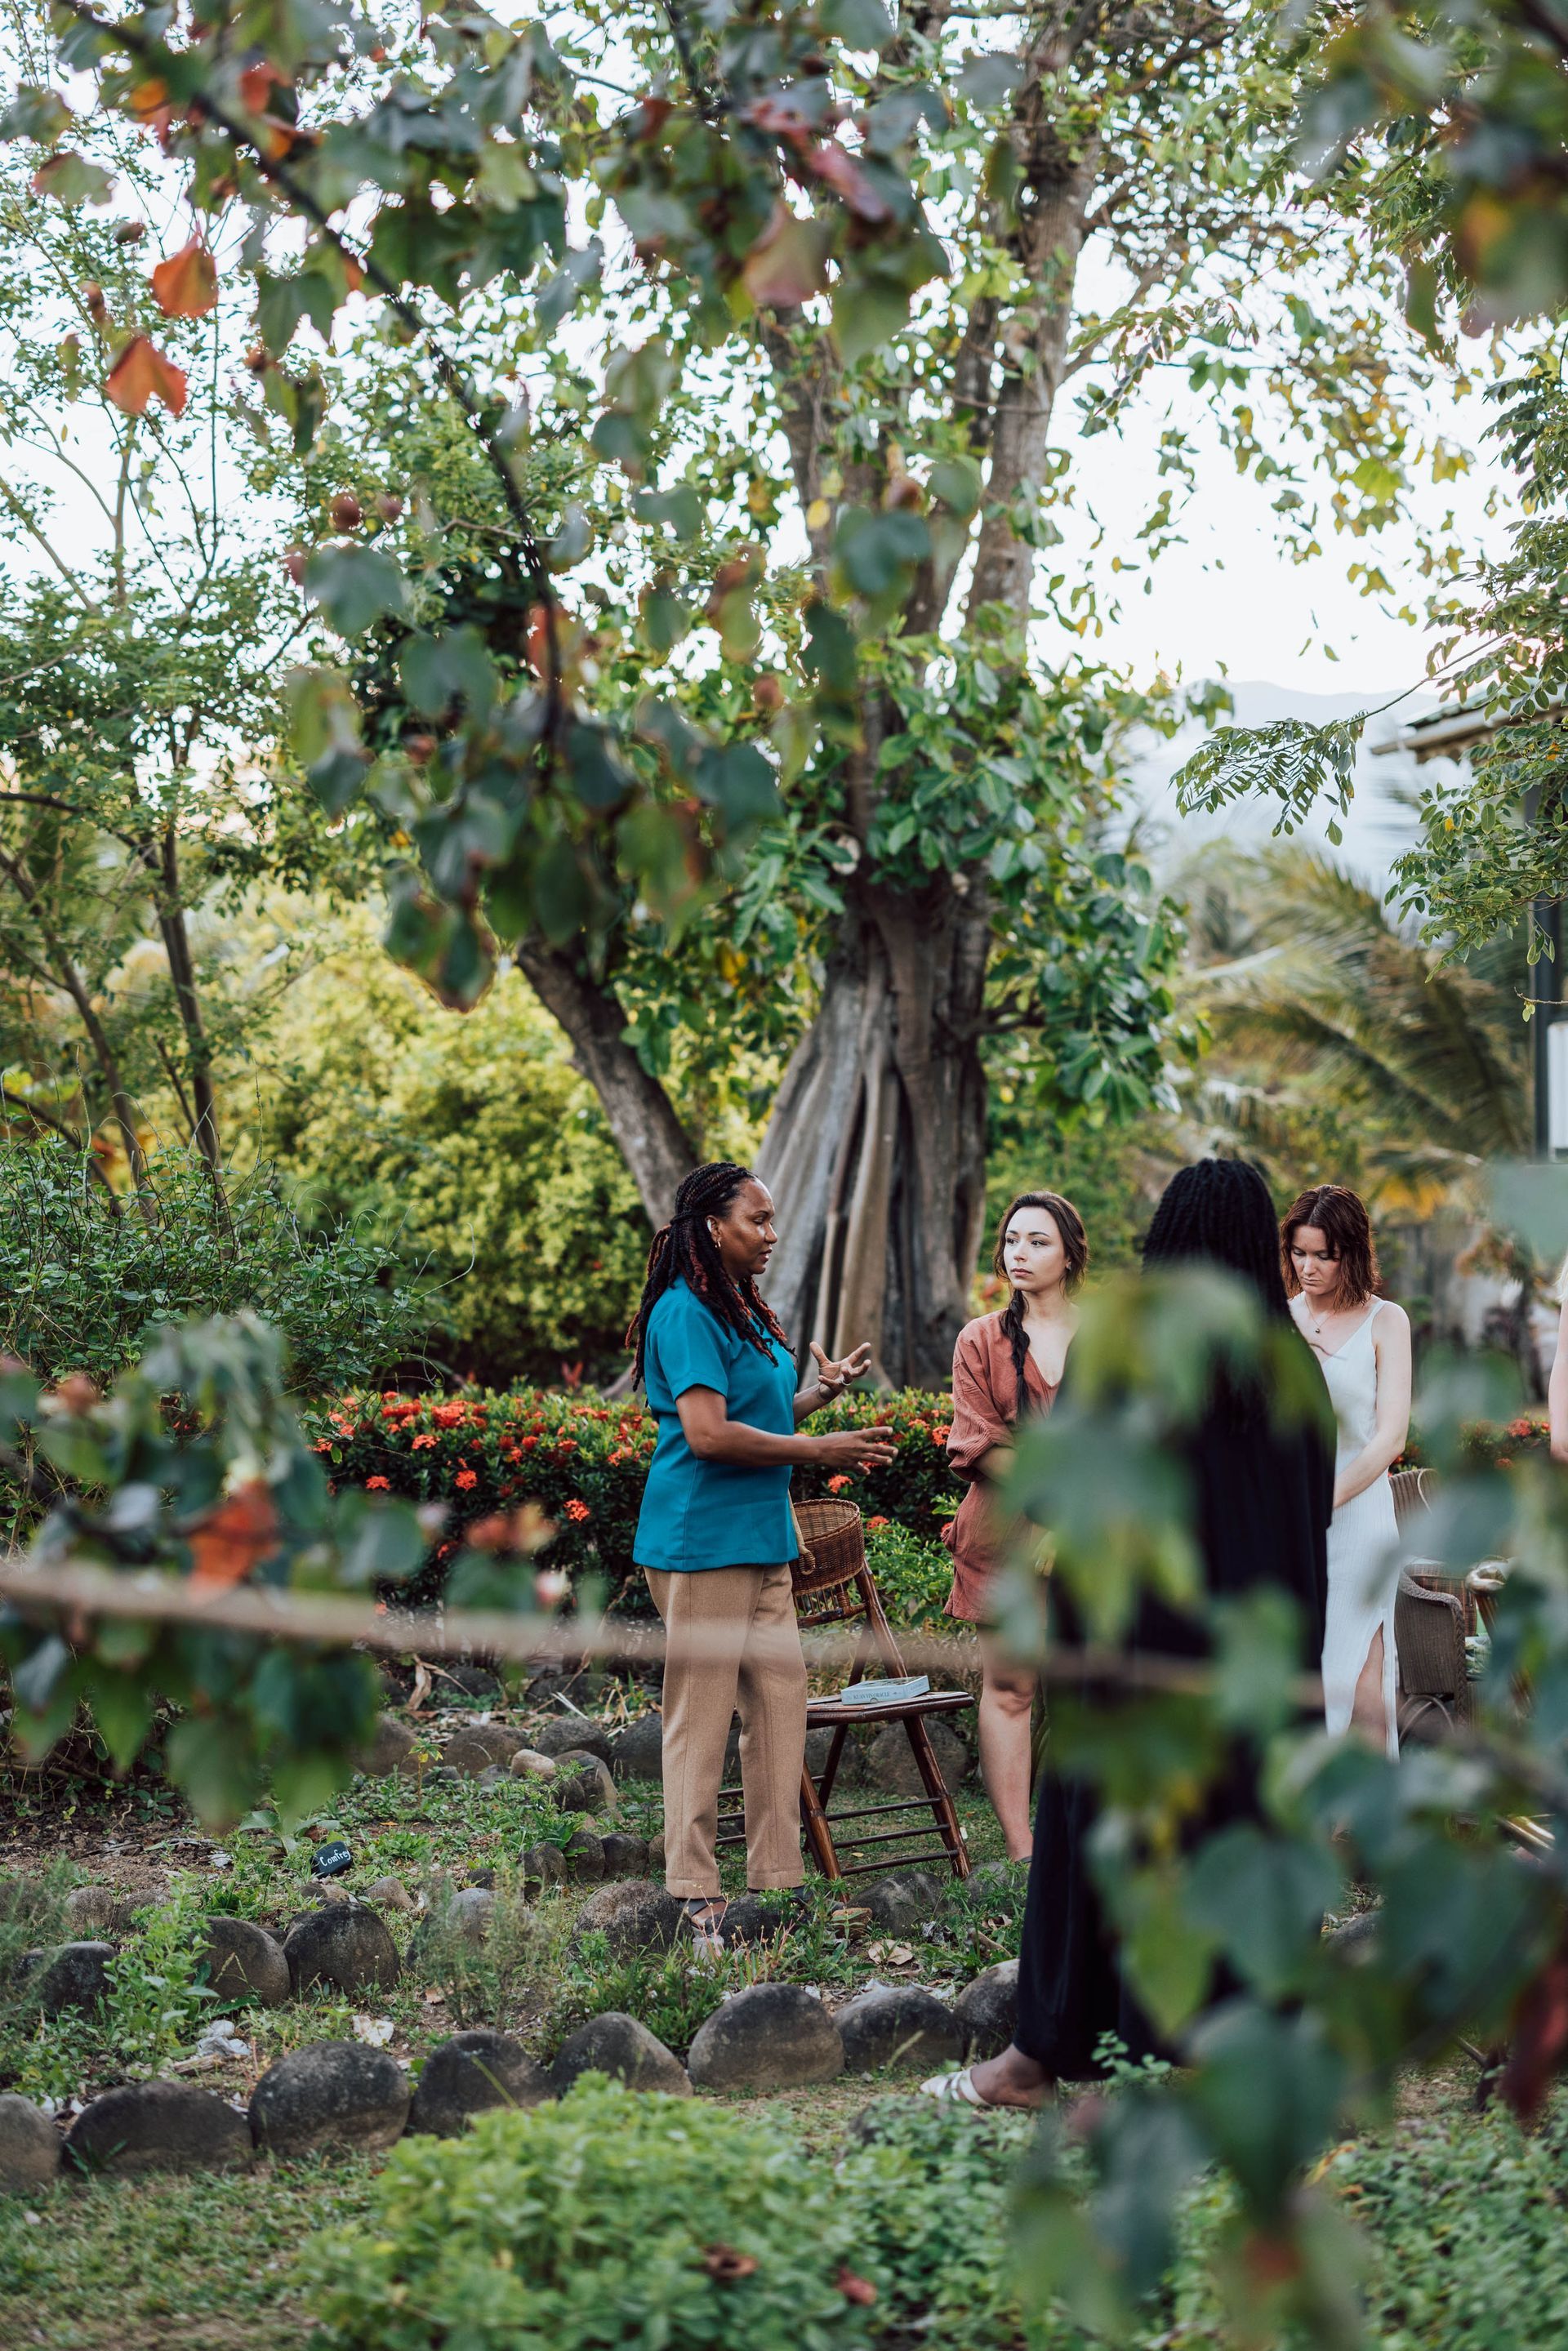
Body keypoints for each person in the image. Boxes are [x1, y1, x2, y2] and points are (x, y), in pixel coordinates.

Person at [923, 1156, 1334, 2107]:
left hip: (1133, 1660)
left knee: (1101, 1843)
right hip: (1254, 1672)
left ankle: (1062, 2060)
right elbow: (1305, 1532)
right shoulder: (1293, 1371)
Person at [629, 1160, 897, 1952]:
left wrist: (820, 1394)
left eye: (775, 1219)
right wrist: (816, 1443)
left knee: (781, 1709)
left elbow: (760, 1410)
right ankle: (694, 1892)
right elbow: (707, 1433)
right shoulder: (683, 1312)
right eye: (759, 1219)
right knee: (700, 1717)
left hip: (764, 1536)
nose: (772, 1234)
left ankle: (774, 1884)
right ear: (714, 1225)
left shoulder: (743, 1309)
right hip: (699, 1540)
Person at [943, 1191, 1087, 1860]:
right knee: (1011, 1686)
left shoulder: (1107, 1339)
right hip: (1004, 1538)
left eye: (1037, 1241)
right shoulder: (980, 1340)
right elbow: (980, 1444)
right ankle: (1024, 1850)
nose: (1019, 1253)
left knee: (1098, 1683)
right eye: (1011, 1241)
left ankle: (1092, 1837)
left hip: (1095, 1540)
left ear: (1070, 1254)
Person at [1283, 1182, 1411, 1761]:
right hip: (1288, 1516)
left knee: (1364, 1669)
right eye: (1299, 1252)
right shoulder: (1278, 1319)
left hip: (1358, 1515)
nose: (1308, 1267)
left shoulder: (1387, 1321)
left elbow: (1390, 1437)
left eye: (1323, 1255)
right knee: (1304, 1672)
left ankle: (1366, 1825)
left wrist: (1322, 1500)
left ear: (1351, 1253)